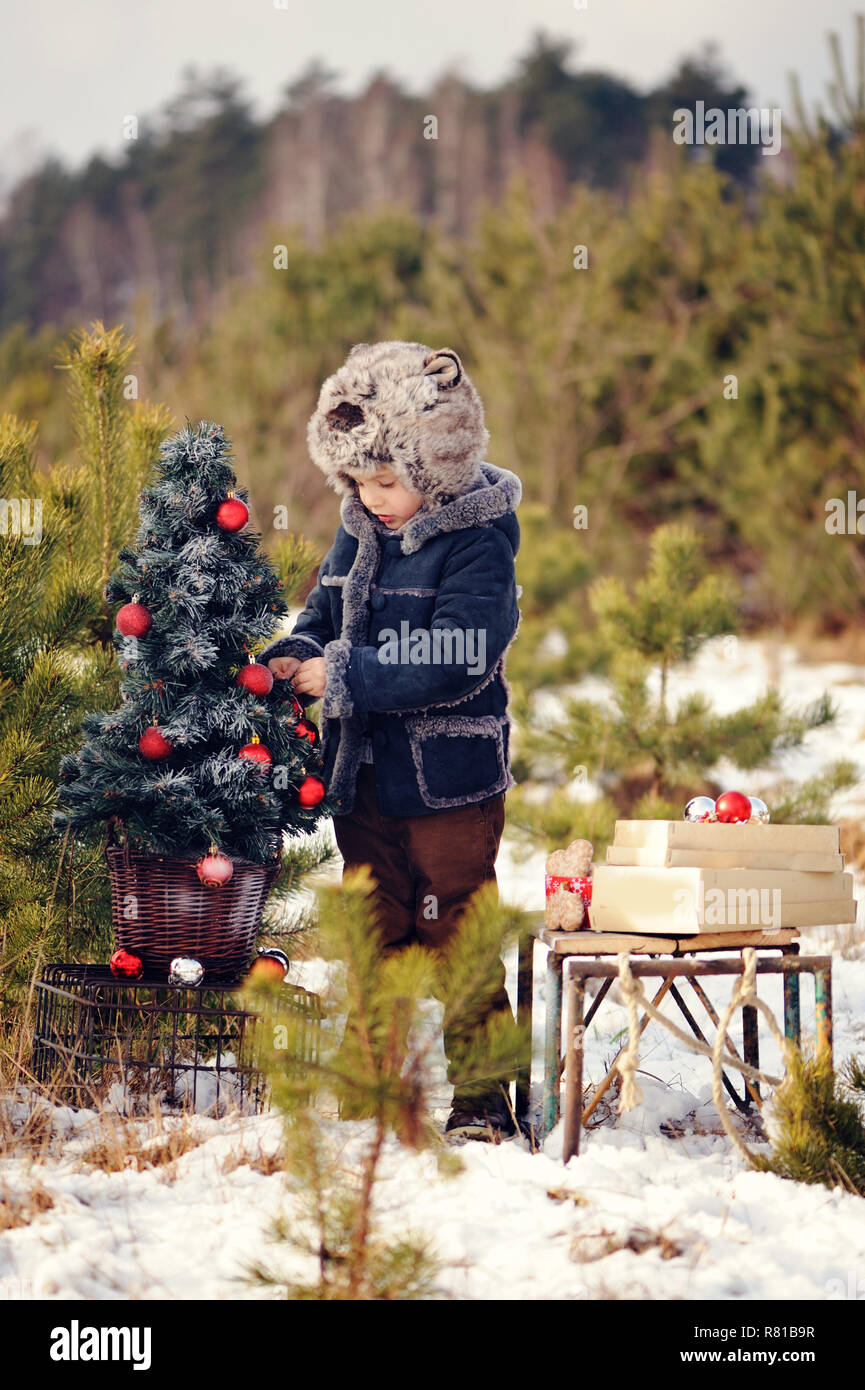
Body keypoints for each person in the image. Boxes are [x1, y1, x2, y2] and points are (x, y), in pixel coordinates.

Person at [259, 340, 522, 1140]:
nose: (371, 498)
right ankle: (374, 1085)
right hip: (365, 774)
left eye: (386, 480)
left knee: (454, 930)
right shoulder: (359, 531)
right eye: (358, 480)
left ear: (433, 467)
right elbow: (320, 616)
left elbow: (456, 655)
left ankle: (483, 1099)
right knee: (375, 927)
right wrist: (297, 653)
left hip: (448, 782)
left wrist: (339, 674)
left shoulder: (478, 539)